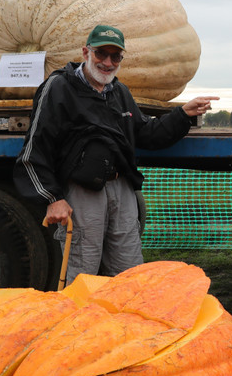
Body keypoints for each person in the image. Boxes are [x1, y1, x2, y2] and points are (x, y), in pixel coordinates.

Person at [14, 24, 218, 284]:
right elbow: (35, 147)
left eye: (115, 56)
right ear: (86, 51)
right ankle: (80, 324)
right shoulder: (59, 87)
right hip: (82, 193)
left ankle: (123, 323)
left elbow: (145, 133)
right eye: (101, 54)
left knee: (129, 271)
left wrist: (182, 114)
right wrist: (53, 197)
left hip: (121, 189)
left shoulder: (119, 92)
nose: (108, 62)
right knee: (82, 271)